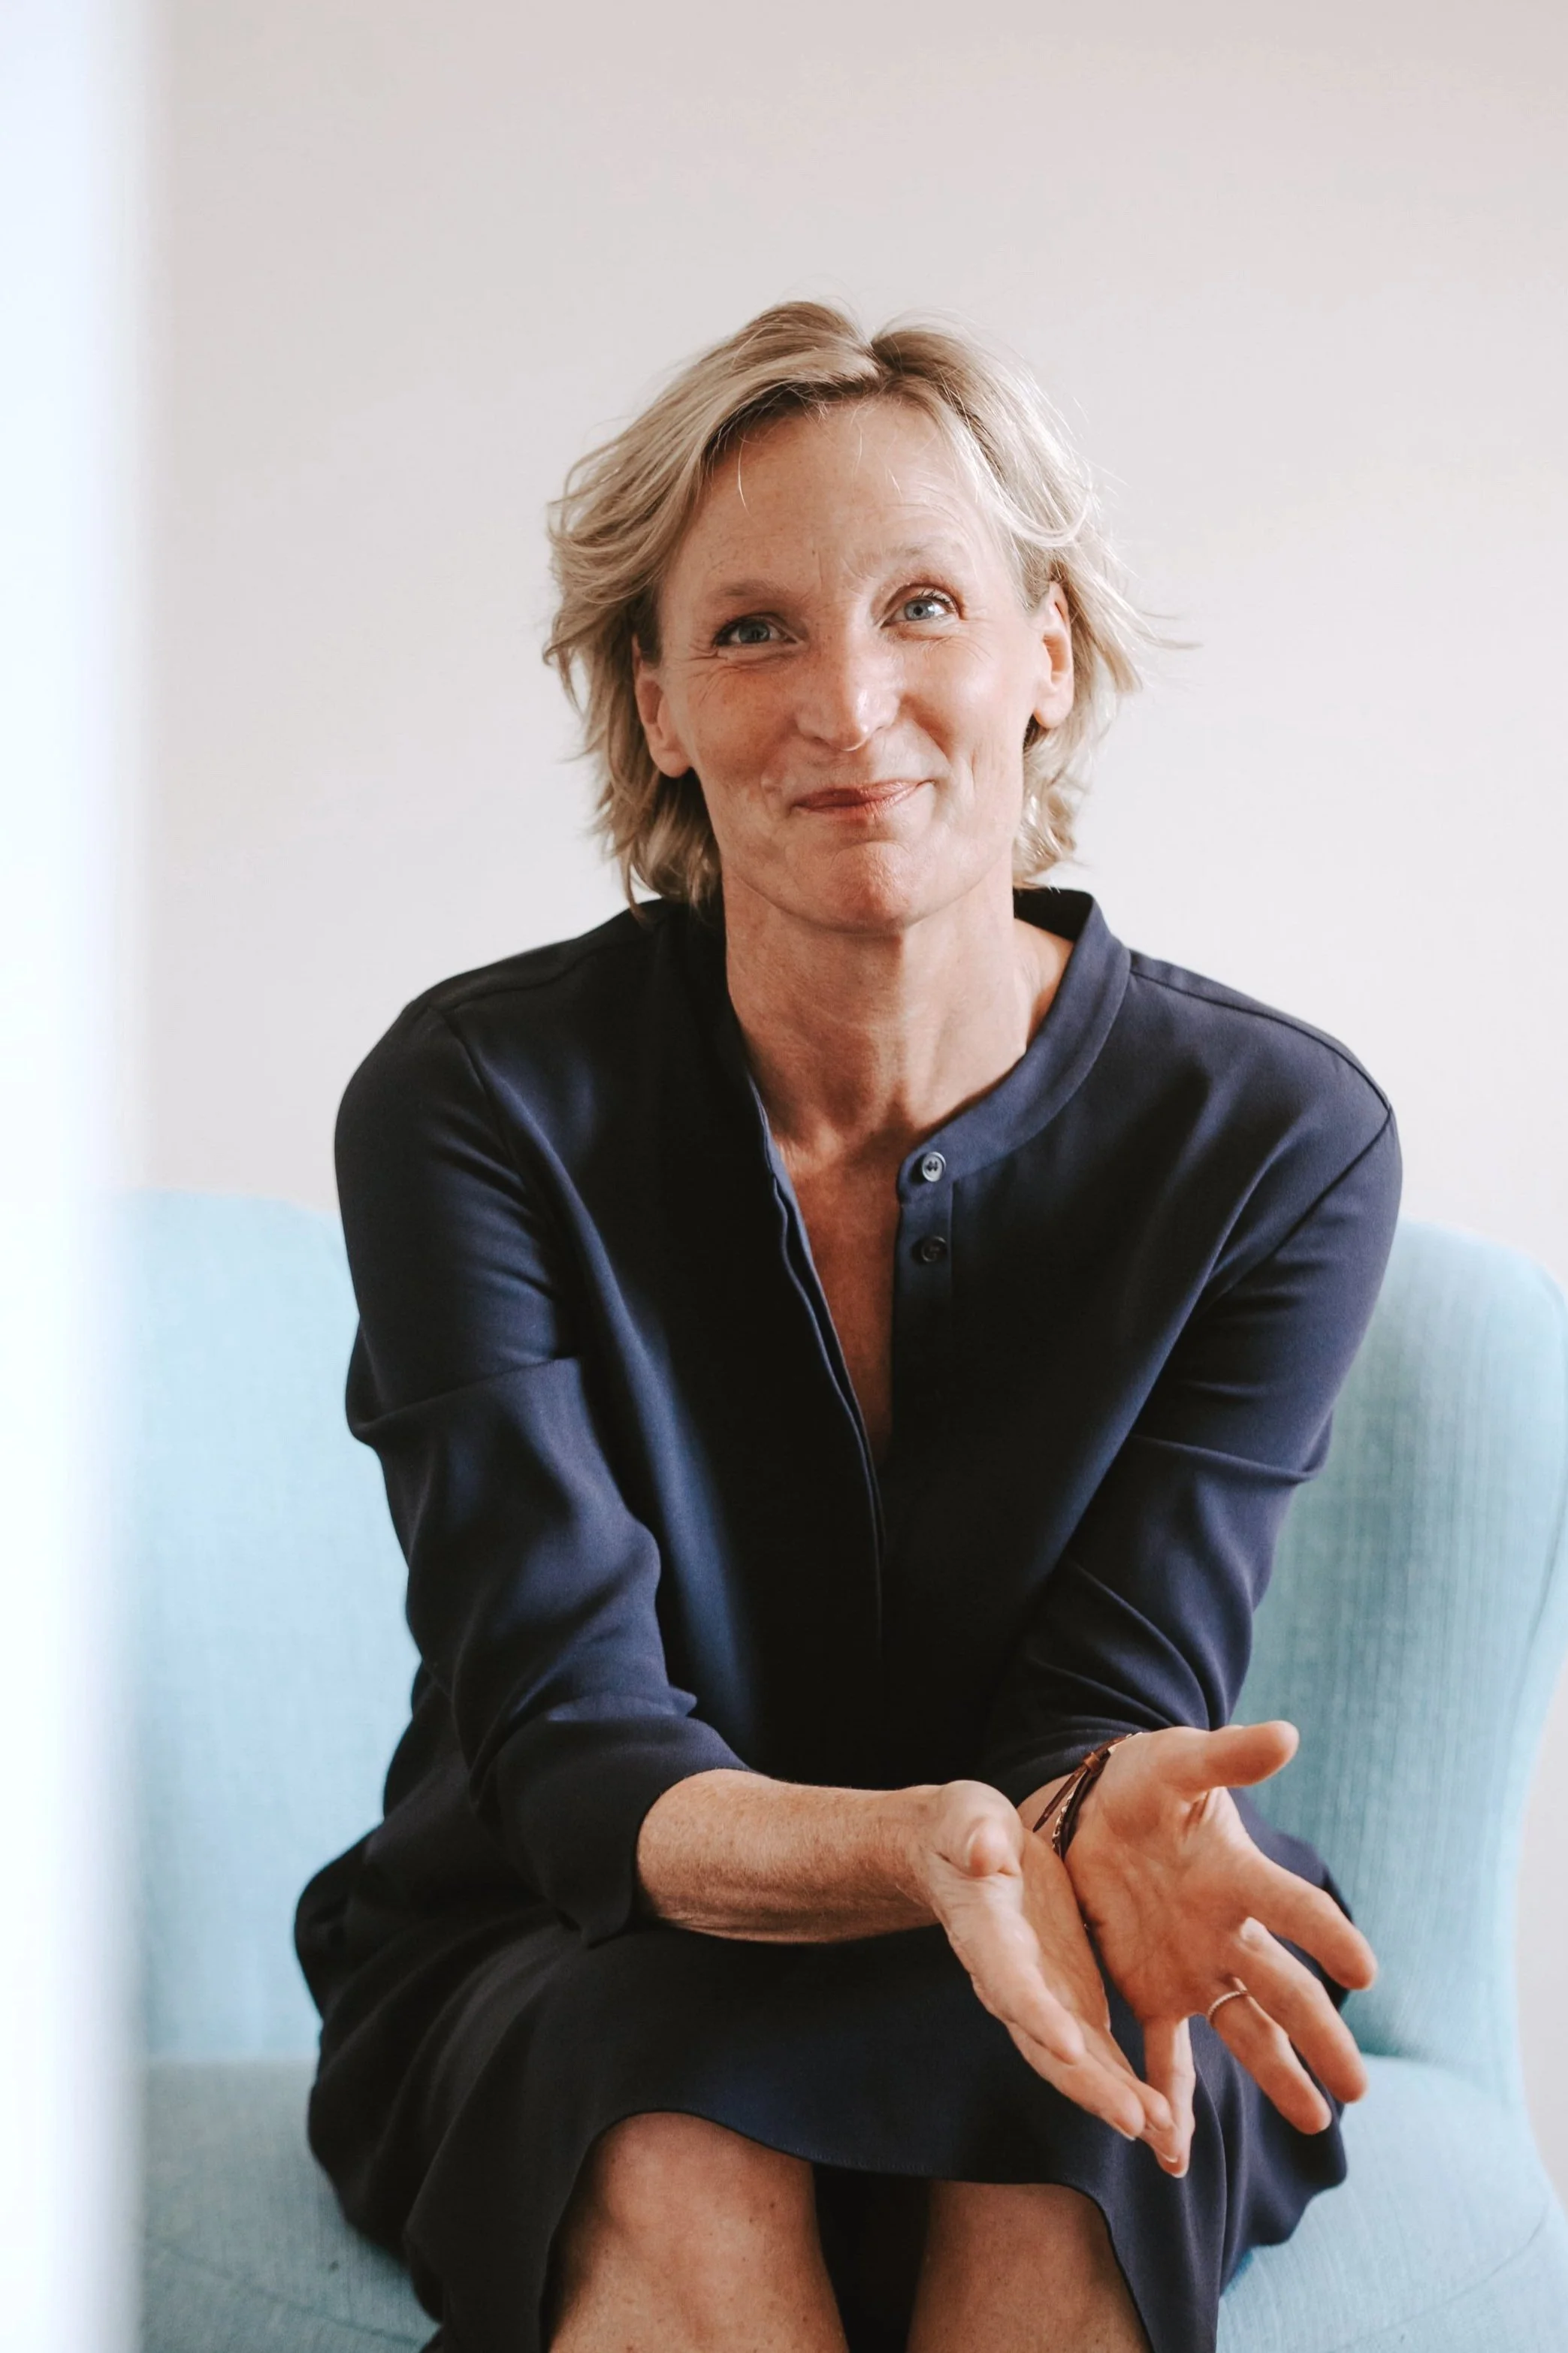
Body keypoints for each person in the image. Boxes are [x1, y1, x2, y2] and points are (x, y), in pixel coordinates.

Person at [295, 301, 1401, 2353]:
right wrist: (928, 1850)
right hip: (569, 1924)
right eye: (749, 632)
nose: (850, 701)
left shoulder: (1279, 1136)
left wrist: (1050, 1842)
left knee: (1073, 2123)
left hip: (1079, 1873)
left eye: (921, 605)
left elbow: (1114, 1695)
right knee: (666, 2134)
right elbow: (566, 1744)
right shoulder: (467, 1102)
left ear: (1044, 653)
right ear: (651, 705)